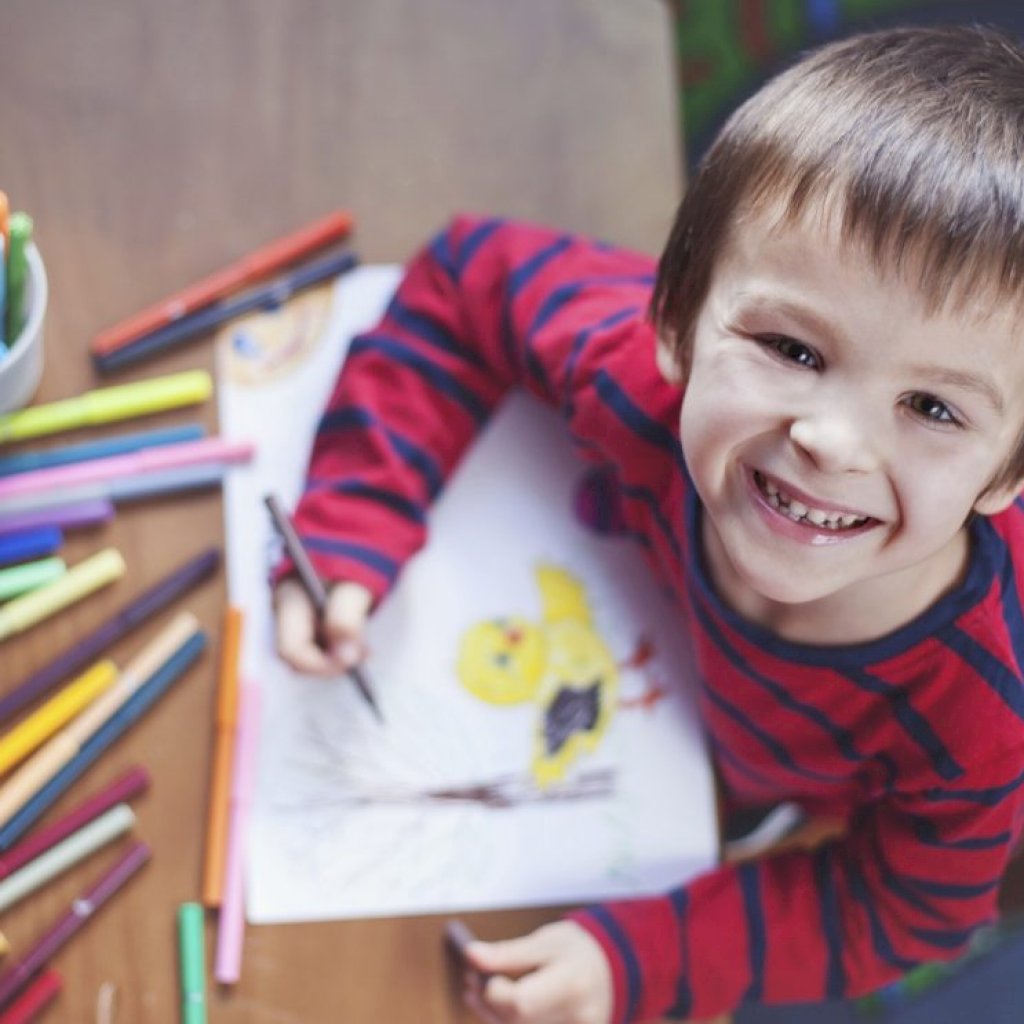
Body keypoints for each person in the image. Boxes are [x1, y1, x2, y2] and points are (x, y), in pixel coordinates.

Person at [272, 24, 1024, 1024]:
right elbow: (463, 278)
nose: (831, 440)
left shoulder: (982, 714)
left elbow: (905, 912)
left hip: (775, 822)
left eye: (934, 409)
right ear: (672, 317)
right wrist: (352, 522)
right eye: (793, 348)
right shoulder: (629, 378)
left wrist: (643, 958)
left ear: (1006, 472)